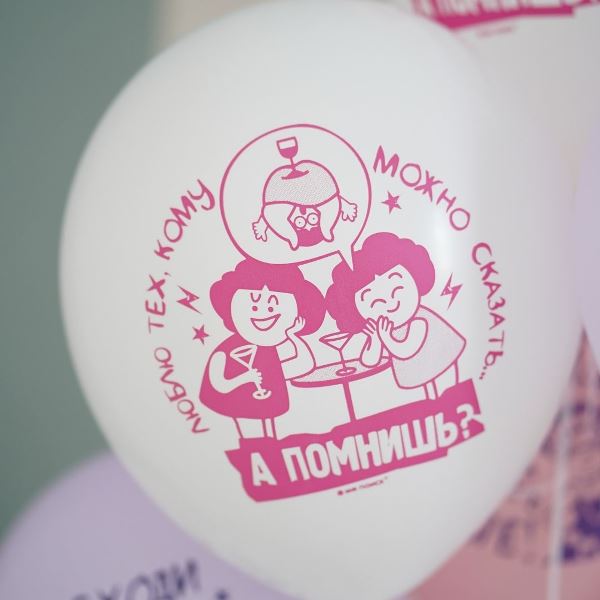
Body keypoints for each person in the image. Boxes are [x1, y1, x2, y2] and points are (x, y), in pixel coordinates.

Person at [325, 232, 466, 399]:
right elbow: (369, 361)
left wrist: (385, 337)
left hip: (441, 358)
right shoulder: (383, 329)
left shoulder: (419, 320)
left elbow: (406, 350)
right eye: (375, 302)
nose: (389, 302)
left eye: (397, 289)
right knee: (430, 396)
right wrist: (375, 339)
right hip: (419, 371)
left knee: (447, 390)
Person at [200, 259, 325, 438]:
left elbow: (302, 365)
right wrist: (245, 378)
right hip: (235, 409)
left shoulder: (267, 352)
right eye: (254, 305)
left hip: (267, 409)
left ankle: (269, 443)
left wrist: (293, 336)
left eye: (273, 305)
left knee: (269, 431)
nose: (263, 312)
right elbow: (219, 385)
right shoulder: (226, 352)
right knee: (249, 433)